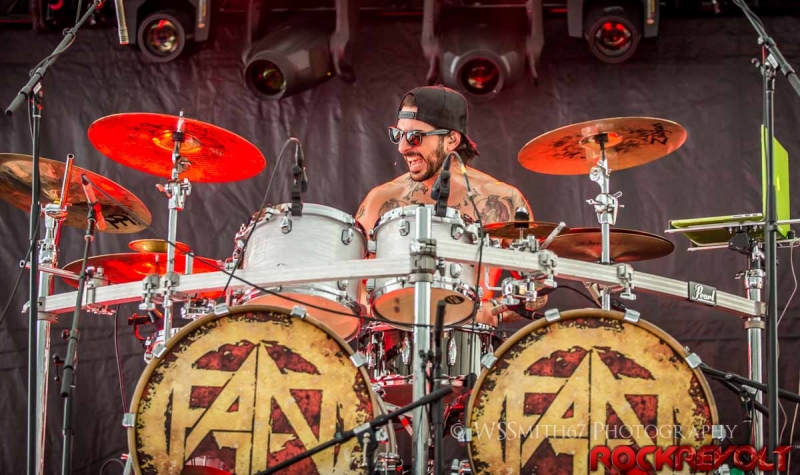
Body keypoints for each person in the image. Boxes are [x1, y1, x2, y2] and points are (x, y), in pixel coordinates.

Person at [356, 85, 543, 326]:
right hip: (394, 336)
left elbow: (537, 287)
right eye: (398, 135)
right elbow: (348, 279)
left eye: (415, 137)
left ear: (452, 139)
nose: (402, 147)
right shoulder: (381, 200)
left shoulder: (503, 200)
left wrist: (493, 310)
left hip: (470, 339)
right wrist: (379, 309)